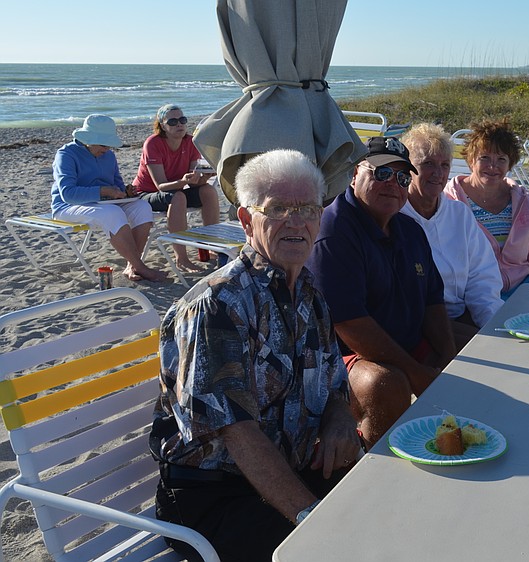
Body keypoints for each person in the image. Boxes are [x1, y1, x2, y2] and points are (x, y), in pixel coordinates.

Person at [152, 149, 362, 562]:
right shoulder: (218, 304)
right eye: (278, 208)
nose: (295, 221)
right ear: (246, 220)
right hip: (213, 496)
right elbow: (236, 432)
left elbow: (335, 382)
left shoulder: (310, 292)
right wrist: (309, 515)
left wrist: (340, 419)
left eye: (307, 209)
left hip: (288, 471)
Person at [306, 137, 456, 448]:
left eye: (403, 177)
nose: (393, 184)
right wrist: (416, 373)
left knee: (473, 344)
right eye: (381, 173)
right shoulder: (333, 232)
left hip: (404, 338)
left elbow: (432, 300)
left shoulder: (410, 229)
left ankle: (464, 432)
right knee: (386, 384)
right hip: (341, 352)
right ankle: (371, 461)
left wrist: (447, 356)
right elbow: (349, 324)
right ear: (354, 174)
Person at [399, 123, 502, 349]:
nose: (438, 173)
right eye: (428, 164)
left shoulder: (459, 215)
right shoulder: (394, 216)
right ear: (407, 168)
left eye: (445, 165)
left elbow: (482, 276)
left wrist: (490, 323)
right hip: (416, 323)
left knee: (502, 345)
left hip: (461, 315)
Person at [444, 118, 529, 298]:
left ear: (510, 164)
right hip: (474, 292)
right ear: (471, 160)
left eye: (501, 159)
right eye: (485, 157)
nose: (493, 166)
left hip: (523, 285)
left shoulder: (524, 204)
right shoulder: (449, 203)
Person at [51, 114, 166, 282]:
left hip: (103, 203)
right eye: (104, 144)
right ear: (88, 139)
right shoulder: (66, 154)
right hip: (66, 207)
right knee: (112, 212)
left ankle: (132, 265)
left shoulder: (109, 156)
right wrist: (103, 191)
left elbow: (117, 185)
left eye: (109, 145)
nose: (107, 149)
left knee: (143, 207)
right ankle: (140, 266)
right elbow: (68, 194)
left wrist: (125, 192)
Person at [132, 104, 220, 272]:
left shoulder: (190, 142)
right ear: (162, 126)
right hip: (147, 194)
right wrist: (183, 181)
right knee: (178, 196)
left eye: (182, 120)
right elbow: (161, 185)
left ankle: (211, 245)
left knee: (208, 191)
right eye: (172, 121)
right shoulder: (153, 143)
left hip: (177, 190)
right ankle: (182, 258)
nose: (179, 124)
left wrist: (204, 178)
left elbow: (193, 181)